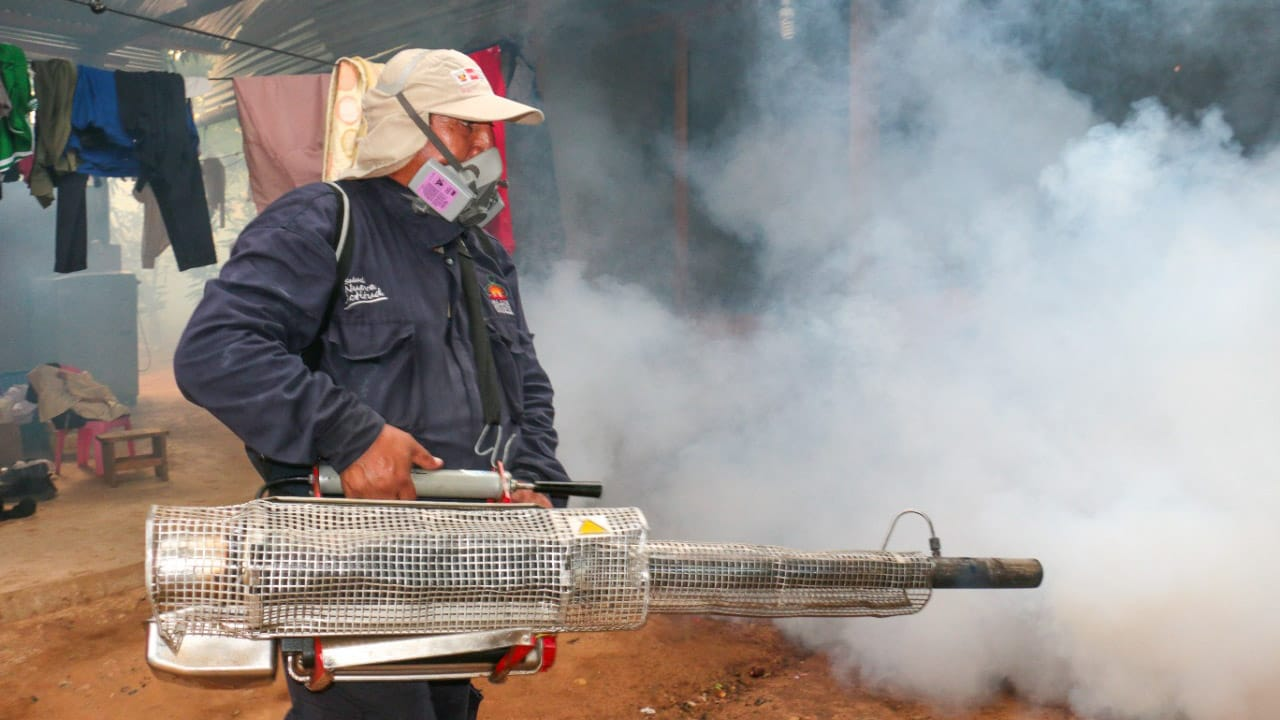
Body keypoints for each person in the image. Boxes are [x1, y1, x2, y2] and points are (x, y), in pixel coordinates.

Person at [173, 48, 572, 720]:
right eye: (464, 125)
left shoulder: (482, 251)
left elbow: (527, 385)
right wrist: (352, 435)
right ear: (404, 127)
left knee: (448, 710)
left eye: (487, 128)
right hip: (351, 565)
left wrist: (535, 476)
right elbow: (217, 350)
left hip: (464, 561)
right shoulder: (324, 221)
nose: (485, 143)